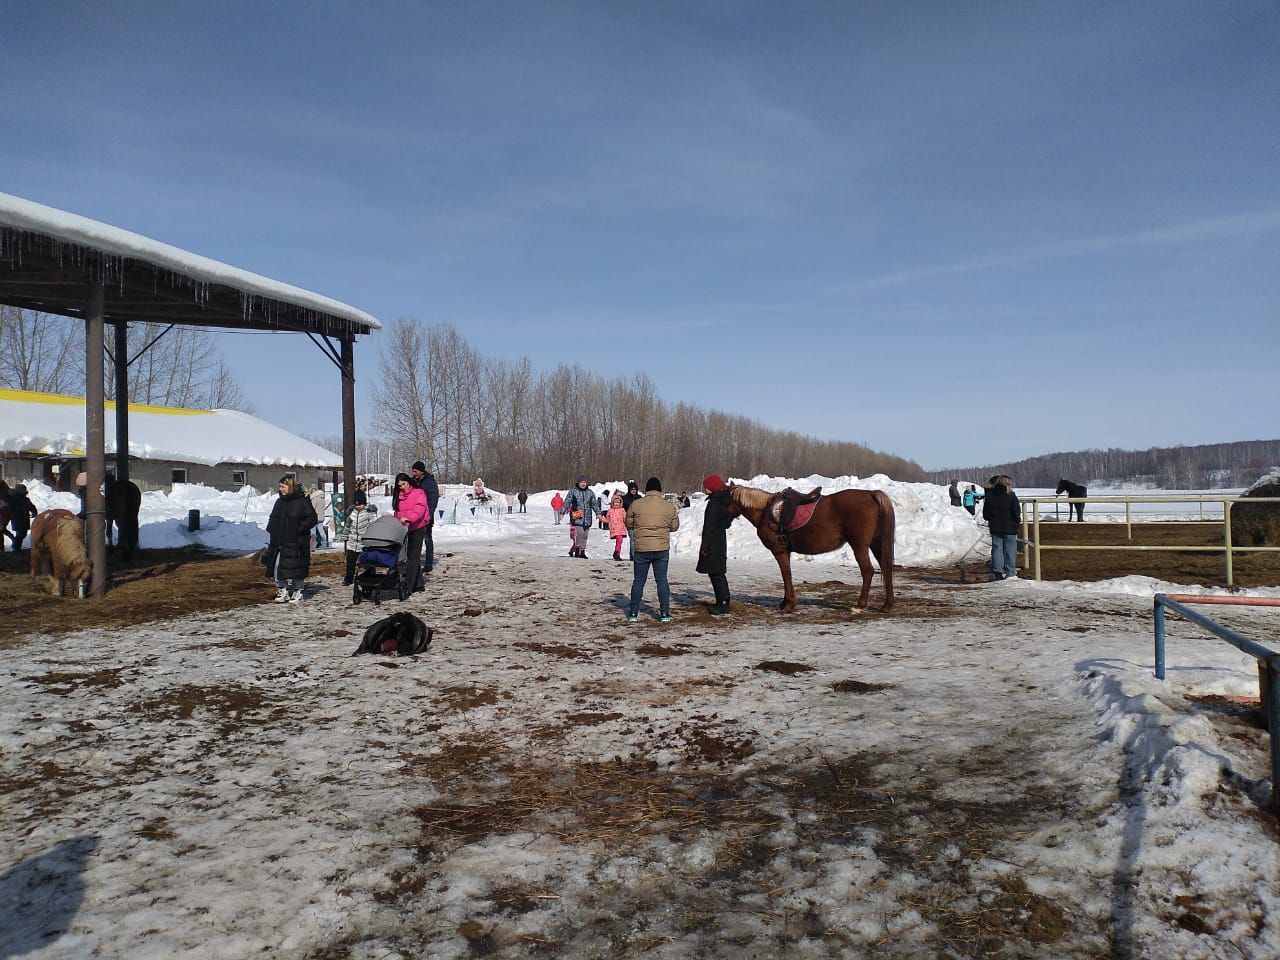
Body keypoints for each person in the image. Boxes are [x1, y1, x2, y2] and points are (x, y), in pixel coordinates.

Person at [626, 477, 680, 622]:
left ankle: (633, 613)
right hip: (661, 548)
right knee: (662, 580)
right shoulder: (668, 506)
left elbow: (629, 523)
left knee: (639, 580)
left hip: (641, 548)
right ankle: (664, 613)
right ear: (660, 490)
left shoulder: (636, 504)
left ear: (647, 490)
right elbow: (674, 527)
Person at [266, 476, 318, 603]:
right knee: (277, 566)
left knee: (297, 566)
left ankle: (297, 591)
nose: (280, 489)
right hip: (279, 540)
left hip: (297, 541)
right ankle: (282, 589)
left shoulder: (302, 501)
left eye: (283, 487)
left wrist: (298, 529)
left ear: (290, 486)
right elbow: (274, 519)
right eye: (280, 487)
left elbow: (312, 518)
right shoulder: (280, 502)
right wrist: (272, 529)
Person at [696, 474, 733, 615]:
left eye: (706, 486)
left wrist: (705, 547)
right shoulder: (724, 501)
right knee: (718, 572)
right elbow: (727, 522)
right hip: (720, 541)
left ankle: (723, 602)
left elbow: (709, 527)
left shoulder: (714, 504)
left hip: (713, 543)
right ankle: (722, 600)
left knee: (716, 573)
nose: (705, 488)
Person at [394, 472, 429, 593]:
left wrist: (409, 519)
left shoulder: (419, 493)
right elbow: (397, 511)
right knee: (410, 555)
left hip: (418, 526)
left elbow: (419, 510)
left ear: (408, 482)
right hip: (406, 527)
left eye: (404, 484)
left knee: (413, 557)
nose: (402, 487)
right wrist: (398, 521)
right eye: (400, 486)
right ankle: (418, 583)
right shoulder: (399, 496)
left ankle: (408, 586)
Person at [982, 475, 1021, 581]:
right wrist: (1017, 522)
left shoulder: (990, 496)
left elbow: (986, 514)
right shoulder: (1011, 495)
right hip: (1010, 528)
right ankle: (1010, 572)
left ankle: (997, 571)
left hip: (995, 527)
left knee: (997, 549)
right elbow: (1016, 512)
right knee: (1010, 550)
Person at [340, 489, 378, 585]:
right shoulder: (351, 513)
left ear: (364, 504)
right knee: (350, 561)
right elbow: (348, 526)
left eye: (360, 505)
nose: (358, 507)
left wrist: (372, 538)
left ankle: (371, 574)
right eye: (356, 505)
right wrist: (345, 536)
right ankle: (348, 578)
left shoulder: (369, 513)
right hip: (353, 541)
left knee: (367, 561)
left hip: (364, 542)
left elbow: (373, 525)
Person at [411, 461, 439, 574]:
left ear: (421, 471)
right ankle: (413, 561)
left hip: (426, 515)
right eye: (413, 471)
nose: (413, 473)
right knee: (414, 539)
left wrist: (429, 514)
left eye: (415, 471)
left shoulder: (429, 483)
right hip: (415, 515)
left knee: (427, 538)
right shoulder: (414, 481)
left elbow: (433, 500)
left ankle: (428, 563)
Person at [561, 475, 597, 558]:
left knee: (585, 535)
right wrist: (562, 512)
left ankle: (582, 552)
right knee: (580, 533)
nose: (583, 484)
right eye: (581, 482)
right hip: (577, 515)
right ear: (578, 483)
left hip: (587, 517)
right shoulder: (573, 491)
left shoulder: (590, 492)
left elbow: (594, 504)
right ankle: (577, 549)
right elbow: (567, 501)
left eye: (584, 482)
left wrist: (598, 513)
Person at [7, 483, 38, 551]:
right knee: (20, 534)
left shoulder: (25, 499)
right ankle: (16, 547)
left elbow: (31, 506)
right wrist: (15, 514)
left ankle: (16, 546)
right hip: (17, 519)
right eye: (22, 490)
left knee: (23, 534)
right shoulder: (13, 499)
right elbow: (10, 509)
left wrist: (34, 512)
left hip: (24, 519)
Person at [621, 479, 642, 559]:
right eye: (632, 489)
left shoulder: (639, 498)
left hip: (639, 521)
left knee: (638, 539)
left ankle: (637, 554)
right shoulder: (625, 498)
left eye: (635, 489)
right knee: (632, 538)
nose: (633, 491)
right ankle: (633, 555)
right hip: (629, 521)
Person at [604, 492, 627, 561]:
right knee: (619, 540)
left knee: (619, 542)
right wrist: (601, 518)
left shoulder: (622, 510)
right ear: (612, 503)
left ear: (620, 503)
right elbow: (607, 519)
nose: (616, 503)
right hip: (614, 528)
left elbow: (625, 518)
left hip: (621, 528)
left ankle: (617, 555)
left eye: (618, 502)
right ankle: (616, 552)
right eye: (615, 502)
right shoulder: (610, 511)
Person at [310, 483, 330, 548]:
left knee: (313, 531)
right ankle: (324, 543)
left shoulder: (315, 499)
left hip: (315, 517)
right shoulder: (322, 499)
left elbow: (312, 509)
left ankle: (314, 543)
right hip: (321, 517)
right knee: (321, 530)